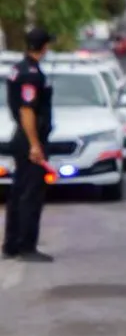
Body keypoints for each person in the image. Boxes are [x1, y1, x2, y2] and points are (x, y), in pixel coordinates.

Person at [3, 27, 55, 263]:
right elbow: (27, 111)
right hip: (29, 140)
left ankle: (12, 244)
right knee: (30, 194)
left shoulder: (19, 68)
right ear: (43, 46)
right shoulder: (31, 74)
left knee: (18, 192)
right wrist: (35, 145)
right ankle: (26, 246)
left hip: (22, 138)